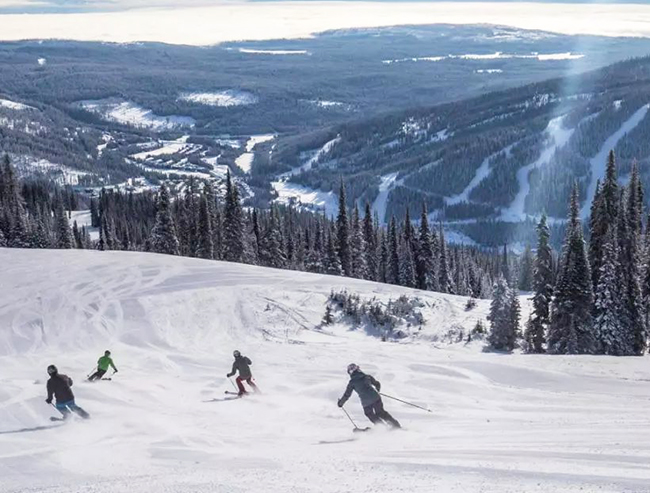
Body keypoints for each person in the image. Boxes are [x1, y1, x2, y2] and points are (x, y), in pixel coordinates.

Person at [337, 363, 400, 428]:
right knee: (380, 412)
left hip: (366, 402)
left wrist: (340, 403)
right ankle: (395, 425)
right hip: (376, 397)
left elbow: (347, 395)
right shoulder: (367, 376)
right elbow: (377, 384)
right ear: (358, 369)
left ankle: (382, 428)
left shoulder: (352, 383)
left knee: (370, 414)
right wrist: (377, 390)